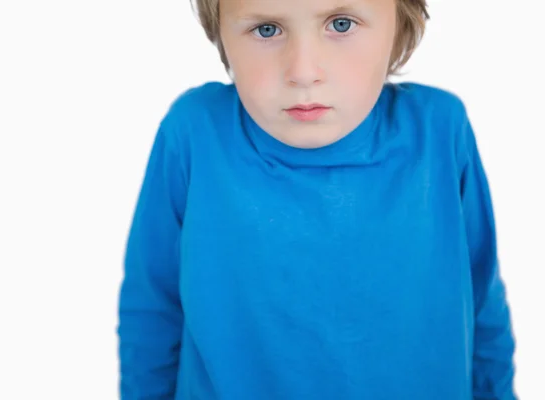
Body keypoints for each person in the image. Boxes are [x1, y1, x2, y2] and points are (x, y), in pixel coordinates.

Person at [117, 0, 517, 398]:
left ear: (400, 22)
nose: (303, 72)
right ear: (220, 32)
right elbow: (152, 307)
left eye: (341, 24)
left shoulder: (440, 130)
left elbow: (482, 300)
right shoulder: (194, 133)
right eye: (267, 29)